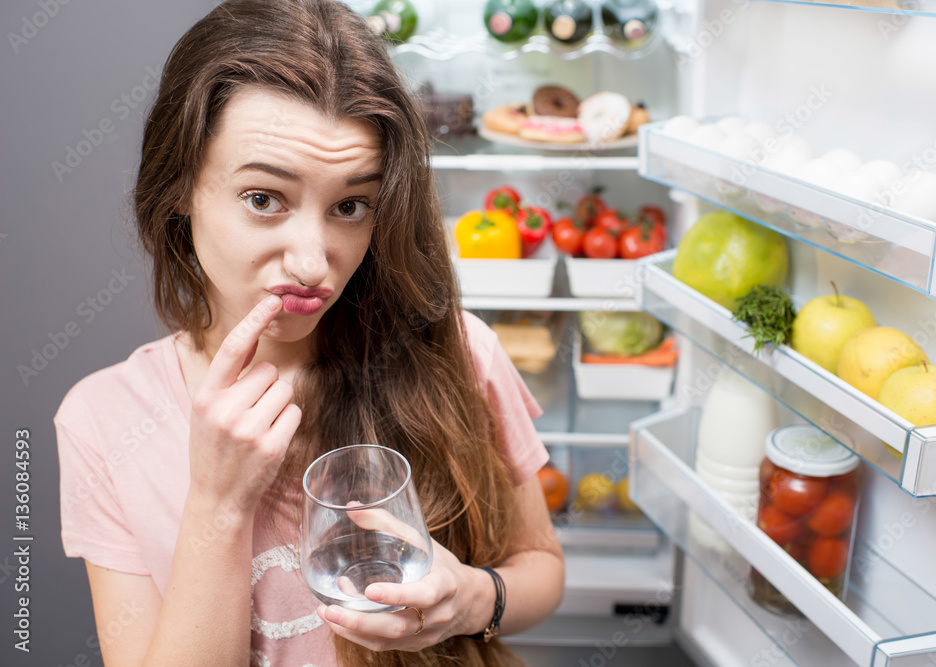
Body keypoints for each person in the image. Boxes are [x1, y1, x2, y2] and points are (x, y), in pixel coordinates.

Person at [53, 0, 565, 665]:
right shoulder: (102, 420)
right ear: (181, 186)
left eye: (350, 206)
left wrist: (470, 598)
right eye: (265, 199)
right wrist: (217, 503)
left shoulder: (461, 353)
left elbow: (541, 567)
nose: (312, 260)